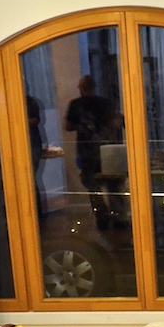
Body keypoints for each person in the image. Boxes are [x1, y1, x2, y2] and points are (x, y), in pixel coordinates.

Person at [64, 75, 125, 230]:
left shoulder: (75, 105)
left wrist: (81, 126)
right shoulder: (105, 103)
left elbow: (68, 126)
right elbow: (116, 123)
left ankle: (102, 218)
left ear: (81, 88)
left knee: (93, 187)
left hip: (87, 151)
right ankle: (118, 217)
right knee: (113, 185)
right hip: (107, 150)